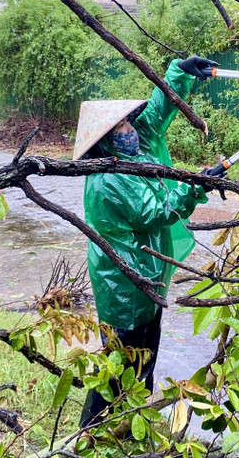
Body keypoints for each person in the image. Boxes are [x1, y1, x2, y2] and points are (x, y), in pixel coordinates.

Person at [72, 56, 225, 428]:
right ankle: (93, 431)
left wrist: (178, 73)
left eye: (128, 122)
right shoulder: (109, 179)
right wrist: (197, 185)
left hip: (147, 277)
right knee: (120, 362)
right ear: (105, 139)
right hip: (124, 285)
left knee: (146, 355)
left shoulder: (132, 151)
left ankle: (131, 424)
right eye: (122, 125)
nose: (131, 129)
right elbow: (156, 211)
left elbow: (156, 115)